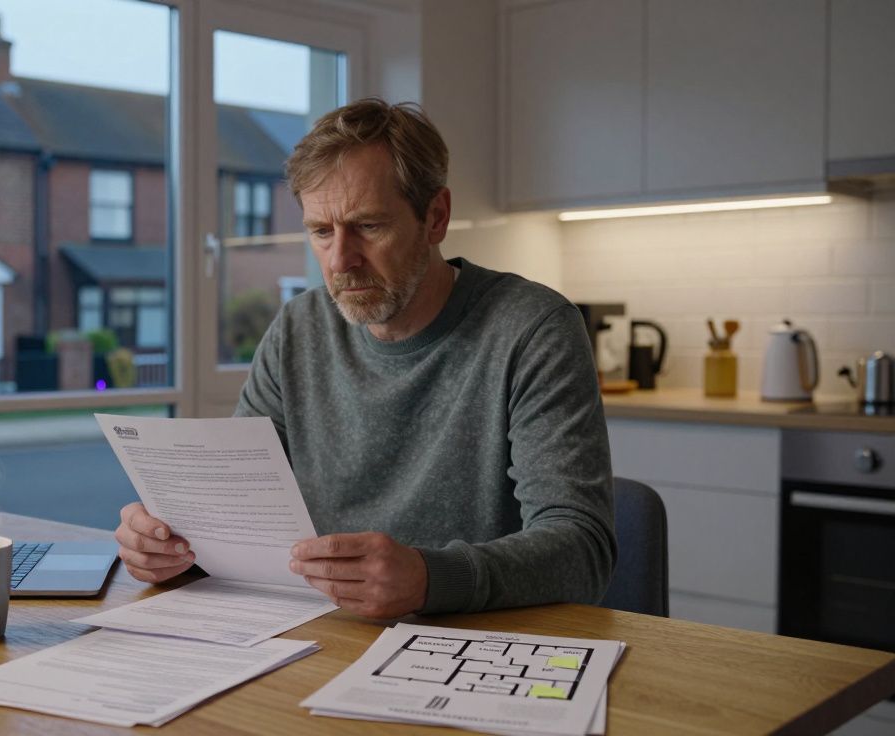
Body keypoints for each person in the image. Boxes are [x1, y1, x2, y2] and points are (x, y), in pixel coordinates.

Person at [115, 98, 616, 618]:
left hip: (480, 640)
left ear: (436, 217)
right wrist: (174, 547)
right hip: (323, 630)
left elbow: (583, 551)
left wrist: (429, 579)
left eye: (369, 226)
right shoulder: (297, 328)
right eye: (321, 231)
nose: (340, 261)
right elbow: (237, 514)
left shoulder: (533, 329)